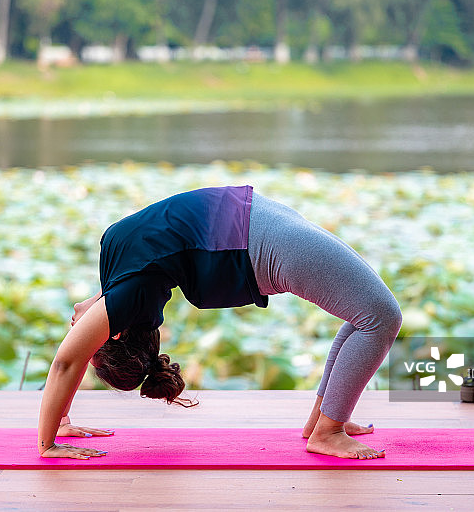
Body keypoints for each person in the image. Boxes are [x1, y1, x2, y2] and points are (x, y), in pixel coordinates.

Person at [37, 185, 402, 460]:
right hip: (260, 244)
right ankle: (328, 431)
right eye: (84, 337)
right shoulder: (130, 296)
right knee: (381, 317)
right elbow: (67, 361)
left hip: (259, 224)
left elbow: (78, 355)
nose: (74, 322)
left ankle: (324, 420)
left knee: (365, 314)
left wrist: (63, 420)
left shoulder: (116, 270)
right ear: (112, 333)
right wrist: (48, 443)